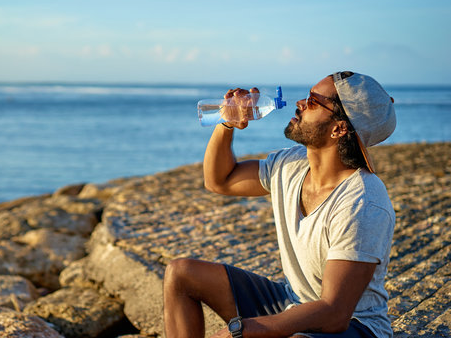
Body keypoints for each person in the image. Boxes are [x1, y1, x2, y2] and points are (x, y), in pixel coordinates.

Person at [163, 71, 397, 338]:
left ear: (339, 128)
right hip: (292, 301)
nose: (299, 103)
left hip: (354, 327)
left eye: (312, 102)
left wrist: (241, 330)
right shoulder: (291, 164)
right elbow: (220, 180)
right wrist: (226, 123)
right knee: (181, 275)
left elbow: (334, 313)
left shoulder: (363, 203)